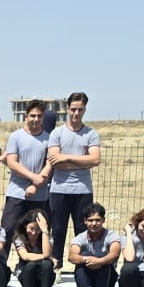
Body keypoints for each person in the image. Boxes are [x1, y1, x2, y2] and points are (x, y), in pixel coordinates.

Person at [45, 91, 101, 261]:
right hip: (59, 189)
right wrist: (83, 161)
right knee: (58, 229)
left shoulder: (91, 134)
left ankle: (82, 265)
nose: (76, 113)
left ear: (85, 110)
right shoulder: (57, 133)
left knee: (83, 231)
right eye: (73, 109)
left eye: (80, 110)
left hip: (83, 190)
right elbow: (55, 161)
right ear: (67, 109)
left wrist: (67, 157)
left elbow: (95, 159)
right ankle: (56, 265)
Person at [0, 100, 51, 235]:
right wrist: (34, 177)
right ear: (26, 116)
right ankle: (0, 257)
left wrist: (36, 186)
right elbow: (12, 163)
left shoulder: (49, 139)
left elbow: (50, 164)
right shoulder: (15, 137)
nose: (36, 119)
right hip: (16, 193)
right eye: (33, 115)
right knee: (8, 230)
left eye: (39, 116)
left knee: (35, 234)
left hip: (39, 195)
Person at [65, 201, 121, 287]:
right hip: (88, 279)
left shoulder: (112, 236)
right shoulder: (81, 237)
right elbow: (71, 256)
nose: (94, 223)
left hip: (107, 280)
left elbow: (115, 255)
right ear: (85, 221)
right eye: (90, 220)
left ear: (103, 220)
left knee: (105, 258)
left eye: (97, 220)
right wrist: (86, 259)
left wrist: (99, 261)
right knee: (82, 256)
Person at [10, 208, 55, 287]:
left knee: (46, 264)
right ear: (25, 225)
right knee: (31, 265)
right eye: (31, 228)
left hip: (44, 276)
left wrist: (44, 231)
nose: (34, 233)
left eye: (38, 229)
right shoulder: (19, 237)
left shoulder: (46, 235)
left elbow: (47, 253)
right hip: (26, 276)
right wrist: (45, 256)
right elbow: (25, 256)